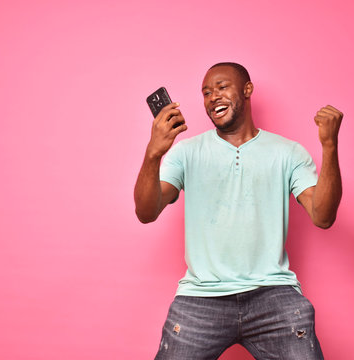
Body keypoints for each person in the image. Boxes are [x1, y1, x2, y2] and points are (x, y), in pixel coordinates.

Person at [134, 62, 343, 360]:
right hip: (201, 296)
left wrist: (330, 146)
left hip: (273, 292)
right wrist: (154, 153)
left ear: (247, 90)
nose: (212, 97)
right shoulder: (186, 152)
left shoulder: (288, 152)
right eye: (206, 92)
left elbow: (323, 216)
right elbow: (145, 211)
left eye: (221, 87)